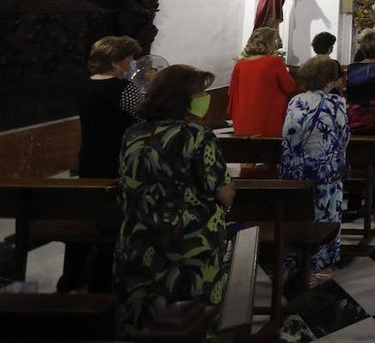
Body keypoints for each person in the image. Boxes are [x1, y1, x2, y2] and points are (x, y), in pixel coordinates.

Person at [115, 65, 234, 337]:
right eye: (200, 93)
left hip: (139, 239)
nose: (205, 98)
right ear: (183, 98)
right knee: (192, 320)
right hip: (189, 245)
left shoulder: (132, 134)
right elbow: (222, 190)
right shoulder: (197, 135)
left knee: (145, 316)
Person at [57, 35, 144, 294]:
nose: (131, 64)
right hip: (117, 156)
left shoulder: (84, 86)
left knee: (89, 210)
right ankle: (101, 280)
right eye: (129, 59)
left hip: (90, 156)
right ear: (116, 61)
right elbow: (142, 118)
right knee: (113, 218)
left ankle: (71, 278)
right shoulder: (125, 89)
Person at [280, 55, 349, 286]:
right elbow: (343, 137)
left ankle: (292, 262)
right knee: (326, 215)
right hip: (326, 171)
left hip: (296, 170)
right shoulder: (336, 103)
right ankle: (318, 266)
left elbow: (288, 136)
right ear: (329, 80)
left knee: (298, 214)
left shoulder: (296, 101)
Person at [228, 27, 296, 136]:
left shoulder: (240, 65)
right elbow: (290, 87)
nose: (276, 45)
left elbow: (232, 94)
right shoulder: (275, 62)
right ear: (268, 44)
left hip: (243, 122)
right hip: (267, 121)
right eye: (274, 41)